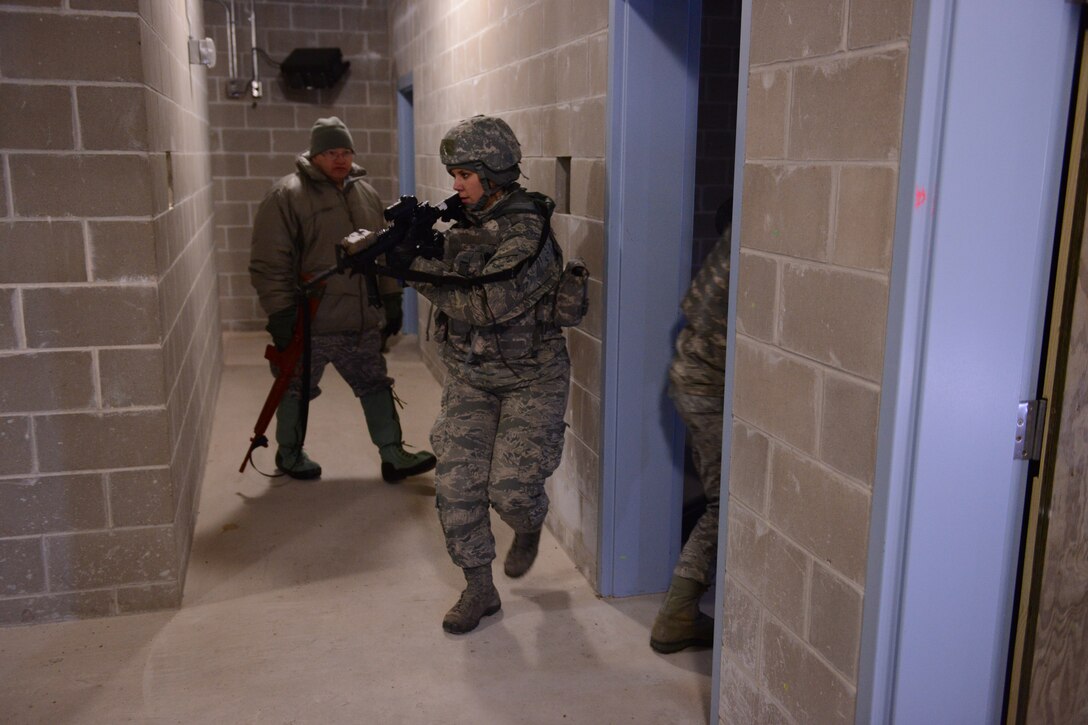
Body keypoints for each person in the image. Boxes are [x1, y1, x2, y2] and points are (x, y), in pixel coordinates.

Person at [401, 115, 572, 634]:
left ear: (493, 172)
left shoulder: (529, 233)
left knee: (512, 490)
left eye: (463, 174)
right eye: (452, 174)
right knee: (456, 487)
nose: (455, 185)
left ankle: (529, 521)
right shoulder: (468, 223)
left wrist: (411, 271)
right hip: (471, 374)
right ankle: (480, 589)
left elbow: (486, 306)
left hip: (531, 377)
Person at [248, 116, 436, 483]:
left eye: (346, 151)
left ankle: (393, 453)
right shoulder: (287, 195)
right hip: (310, 320)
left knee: (376, 383)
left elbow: (381, 251)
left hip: (359, 318)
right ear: (315, 154)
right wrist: (282, 315)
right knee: (295, 389)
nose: (340, 159)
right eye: (331, 152)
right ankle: (289, 454)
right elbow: (269, 263)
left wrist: (392, 298)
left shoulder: (364, 193)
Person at [650, 201, 732, 654]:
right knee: (727, 505)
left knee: (721, 499)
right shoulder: (751, 242)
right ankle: (677, 616)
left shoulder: (735, 237)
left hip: (695, 379)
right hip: (708, 388)